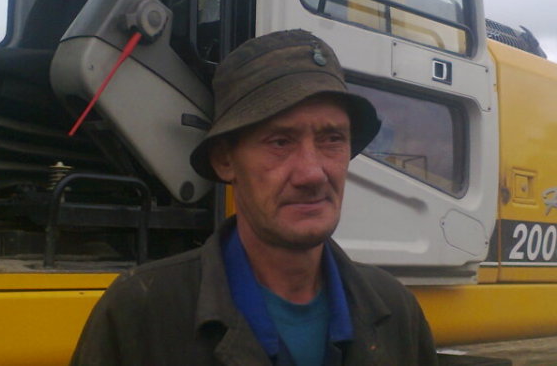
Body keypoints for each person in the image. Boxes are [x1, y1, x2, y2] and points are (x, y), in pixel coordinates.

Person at [71, 29, 438, 365]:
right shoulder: (140, 314)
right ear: (225, 161)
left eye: (332, 140)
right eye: (280, 142)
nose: (312, 174)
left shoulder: (397, 312)